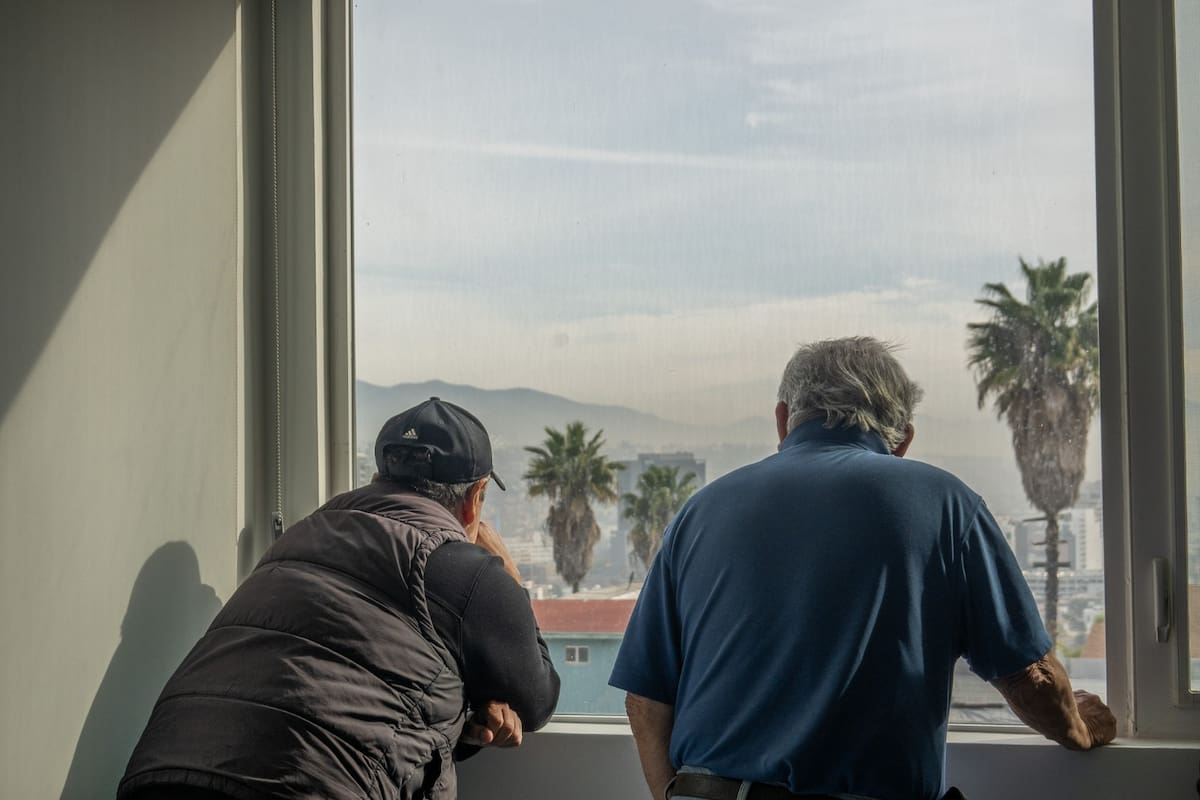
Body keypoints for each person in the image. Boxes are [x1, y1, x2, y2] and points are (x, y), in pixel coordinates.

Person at [609, 337, 1115, 800]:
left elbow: (645, 702)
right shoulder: (946, 504)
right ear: (903, 440)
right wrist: (1078, 727)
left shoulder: (699, 512)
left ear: (783, 420)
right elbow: (1030, 678)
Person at [118, 397, 560, 800]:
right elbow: (536, 698)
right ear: (475, 499)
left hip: (157, 777)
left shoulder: (301, 536)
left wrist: (461, 720)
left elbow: (346, 686)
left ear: (378, 478)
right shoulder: (464, 568)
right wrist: (508, 572)